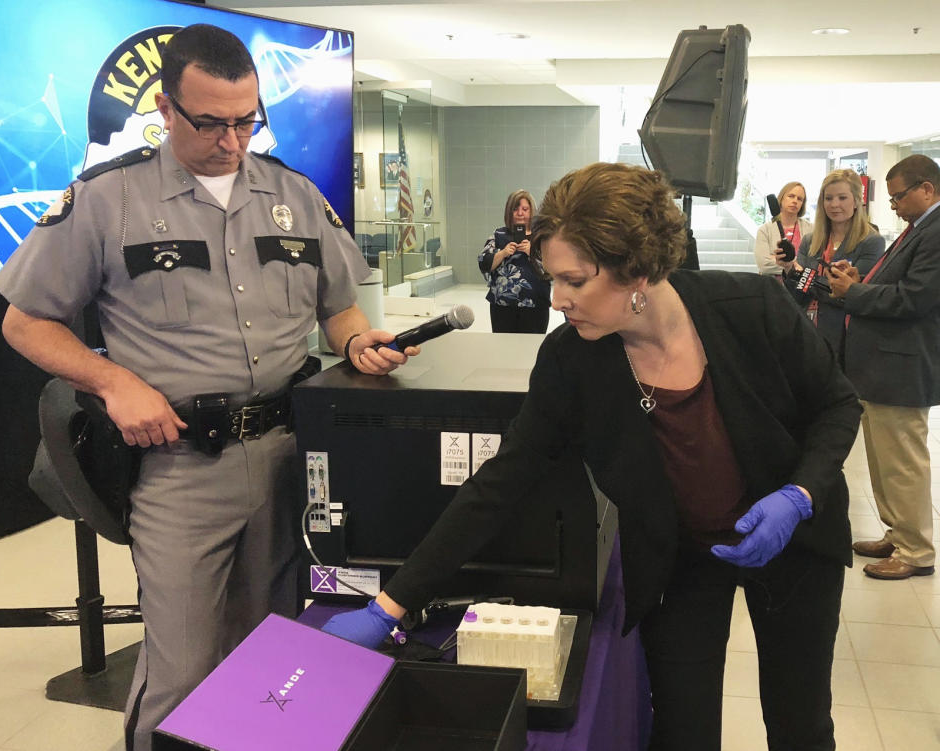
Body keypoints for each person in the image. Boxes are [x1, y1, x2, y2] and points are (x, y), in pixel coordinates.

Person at [323, 162, 861, 750]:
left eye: (574, 281)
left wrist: (799, 494)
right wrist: (390, 605)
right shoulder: (572, 361)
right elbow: (501, 483)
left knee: (801, 722)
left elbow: (838, 406)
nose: (556, 300)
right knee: (683, 732)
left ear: (636, 269)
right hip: (682, 559)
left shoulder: (750, 305)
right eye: (553, 279)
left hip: (793, 544)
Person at [0, 24, 415, 751]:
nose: (231, 140)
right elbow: (25, 323)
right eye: (210, 122)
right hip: (181, 466)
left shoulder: (293, 193)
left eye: (246, 120)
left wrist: (353, 339)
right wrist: (114, 380)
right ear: (164, 106)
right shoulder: (107, 198)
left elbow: (338, 301)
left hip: (288, 457)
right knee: (182, 666)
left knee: (277, 650)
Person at [828, 154, 940, 580]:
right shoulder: (919, 228)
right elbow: (898, 284)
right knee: (884, 460)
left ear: (926, 188)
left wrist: (854, 293)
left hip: (903, 367)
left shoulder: (936, 231)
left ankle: (916, 551)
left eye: (898, 195)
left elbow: (915, 298)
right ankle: (898, 532)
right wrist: (862, 278)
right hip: (884, 366)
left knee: (903, 461)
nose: (892, 204)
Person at [779, 169, 884, 362]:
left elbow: (851, 296)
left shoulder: (871, 242)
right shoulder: (811, 241)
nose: (835, 204)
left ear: (856, 201)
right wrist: (789, 268)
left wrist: (807, 278)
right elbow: (798, 294)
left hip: (846, 339)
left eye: (842, 197)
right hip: (807, 334)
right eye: (829, 198)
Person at [478, 189, 551, 333]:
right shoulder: (498, 235)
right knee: (504, 348)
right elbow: (484, 263)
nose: (520, 213)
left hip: (535, 305)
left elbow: (554, 268)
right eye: (515, 209)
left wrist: (532, 253)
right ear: (508, 212)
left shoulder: (542, 236)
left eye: (525, 209)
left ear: (532, 212)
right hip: (503, 307)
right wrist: (503, 253)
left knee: (531, 348)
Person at [753, 181, 812, 278]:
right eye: (791, 196)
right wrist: (796, 263)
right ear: (781, 198)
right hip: (772, 288)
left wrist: (776, 258)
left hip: (801, 290)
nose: (795, 201)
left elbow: (812, 263)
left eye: (800, 199)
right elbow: (763, 265)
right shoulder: (765, 230)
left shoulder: (810, 229)